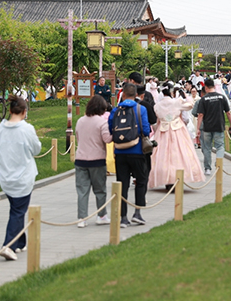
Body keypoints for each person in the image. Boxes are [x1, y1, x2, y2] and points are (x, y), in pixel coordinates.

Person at [0, 95, 41, 261]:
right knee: (18, 211)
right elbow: (37, 149)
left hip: (6, 175)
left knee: (16, 209)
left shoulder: (0, 129)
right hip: (22, 177)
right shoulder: (26, 129)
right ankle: (9, 245)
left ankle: (20, 242)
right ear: (24, 112)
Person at [108, 83, 150, 228]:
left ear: (123, 94)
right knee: (141, 181)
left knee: (122, 184)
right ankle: (138, 212)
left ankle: (123, 217)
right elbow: (145, 129)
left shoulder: (115, 110)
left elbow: (110, 128)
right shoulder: (141, 109)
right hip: (137, 151)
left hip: (120, 152)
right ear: (136, 95)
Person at [149, 85, 204, 189]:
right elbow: (190, 105)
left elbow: (157, 121)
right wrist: (184, 96)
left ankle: (166, 177)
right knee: (179, 152)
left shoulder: (157, 106)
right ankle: (178, 176)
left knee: (163, 155)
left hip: (163, 130)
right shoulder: (177, 102)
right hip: (177, 129)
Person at [74, 95, 113, 228]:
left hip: (80, 159)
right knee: (100, 190)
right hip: (97, 160)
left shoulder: (80, 121)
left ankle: (82, 218)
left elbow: (78, 137)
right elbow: (107, 139)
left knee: (82, 191)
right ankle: (101, 215)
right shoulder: (102, 123)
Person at [196, 78, 231, 175]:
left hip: (207, 127)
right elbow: (228, 113)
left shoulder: (203, 99)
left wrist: (198, 128)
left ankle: (207, 168)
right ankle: (219, 163)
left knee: (207, 148)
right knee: (220, 146)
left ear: (206, 88)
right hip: (219, 125)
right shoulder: (221, 97)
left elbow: (200, 115)